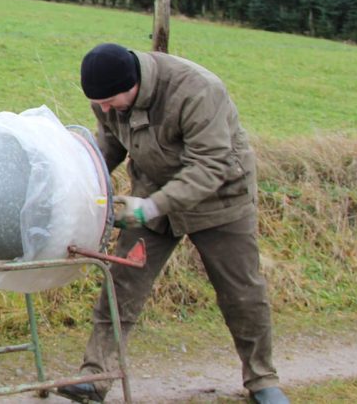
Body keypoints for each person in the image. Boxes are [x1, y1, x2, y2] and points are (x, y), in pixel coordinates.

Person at [56, 43, 288, 404]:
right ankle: (96, 376)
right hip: (153, 191)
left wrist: (151, 208)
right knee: (122, 284)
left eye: (109, 101)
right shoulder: (107, 99)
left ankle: (262, 380)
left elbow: (210, 166)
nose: (104, 109)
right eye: (98, 104)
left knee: (242, 292)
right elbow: (108, 147)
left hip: (221, 198)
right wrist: (77, 184)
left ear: (133, 85)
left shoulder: (198, 91)